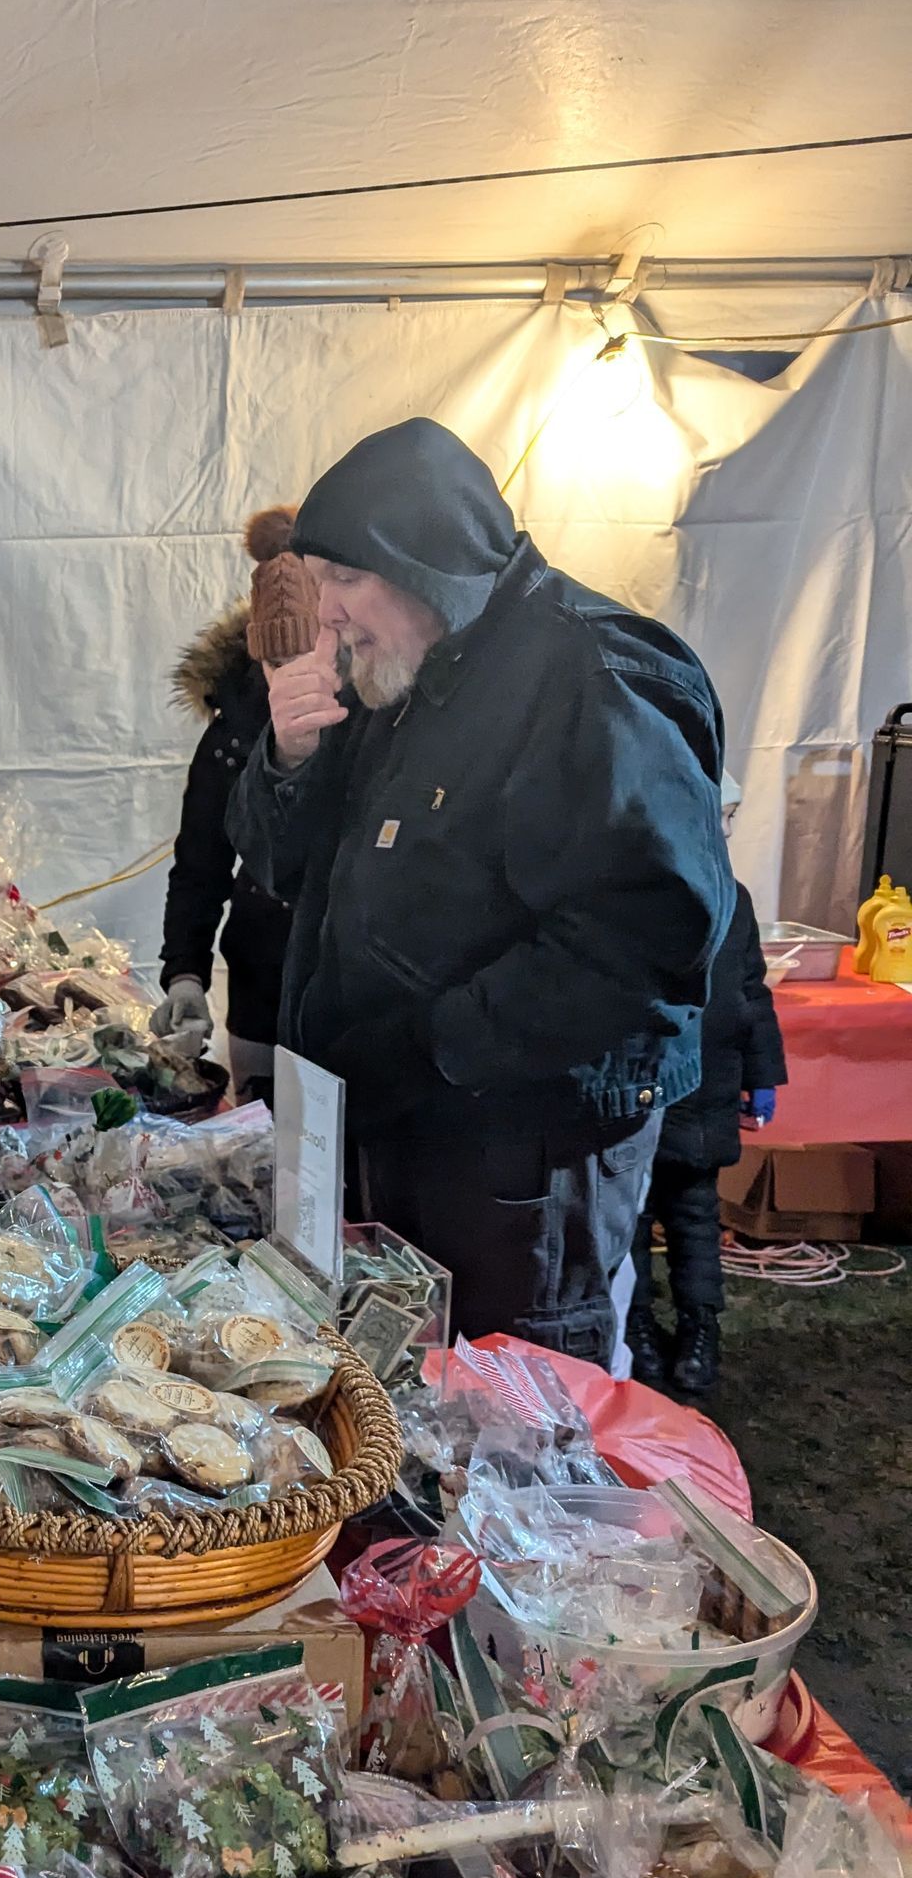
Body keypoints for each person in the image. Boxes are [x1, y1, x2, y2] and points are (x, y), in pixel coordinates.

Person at [228, 416, 734, 1363]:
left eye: (346, 578)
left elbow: (641, 939)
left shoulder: (593, 675)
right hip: (400, 1129)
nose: (326, 613)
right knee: (410, 1384)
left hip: (521, 1156)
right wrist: (289, 758)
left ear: (424, 566)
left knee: (515, 1392)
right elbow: (281, 869)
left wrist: (432, 1046)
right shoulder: (404, 671)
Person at [627, 776, 786, 1395]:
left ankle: (700, 1326)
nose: (726, 829)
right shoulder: (635, 899)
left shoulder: (733, 899)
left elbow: (751, 990)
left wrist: (763, 1073)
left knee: (694, 1215)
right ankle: (636, 1326)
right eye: (720, 815)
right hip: (643, 1089)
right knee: (631, 1217)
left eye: (733, 817)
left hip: (706, 1089)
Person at [152, 507, 316, 1094]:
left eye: (304, 658)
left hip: (351, 989)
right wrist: (185, 974)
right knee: (261, 1125)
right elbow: (200, 863)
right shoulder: (235, 729)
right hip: (259, 974)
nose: (289, 675)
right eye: (275, 661)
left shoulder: (374, 718)